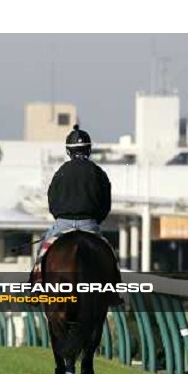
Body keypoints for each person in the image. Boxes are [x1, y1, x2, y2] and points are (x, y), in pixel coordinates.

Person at [34, 124, 123, 304]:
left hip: (63, 224)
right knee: (110, 254)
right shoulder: (99, 173)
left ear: (68, 151)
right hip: (89, 224)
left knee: (42, 251)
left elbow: (52, 201)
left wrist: (61, 217)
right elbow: (106, 204)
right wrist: (95, 220)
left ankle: (35, 288)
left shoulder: (60, 172)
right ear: (89, 149)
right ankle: (114, 292)